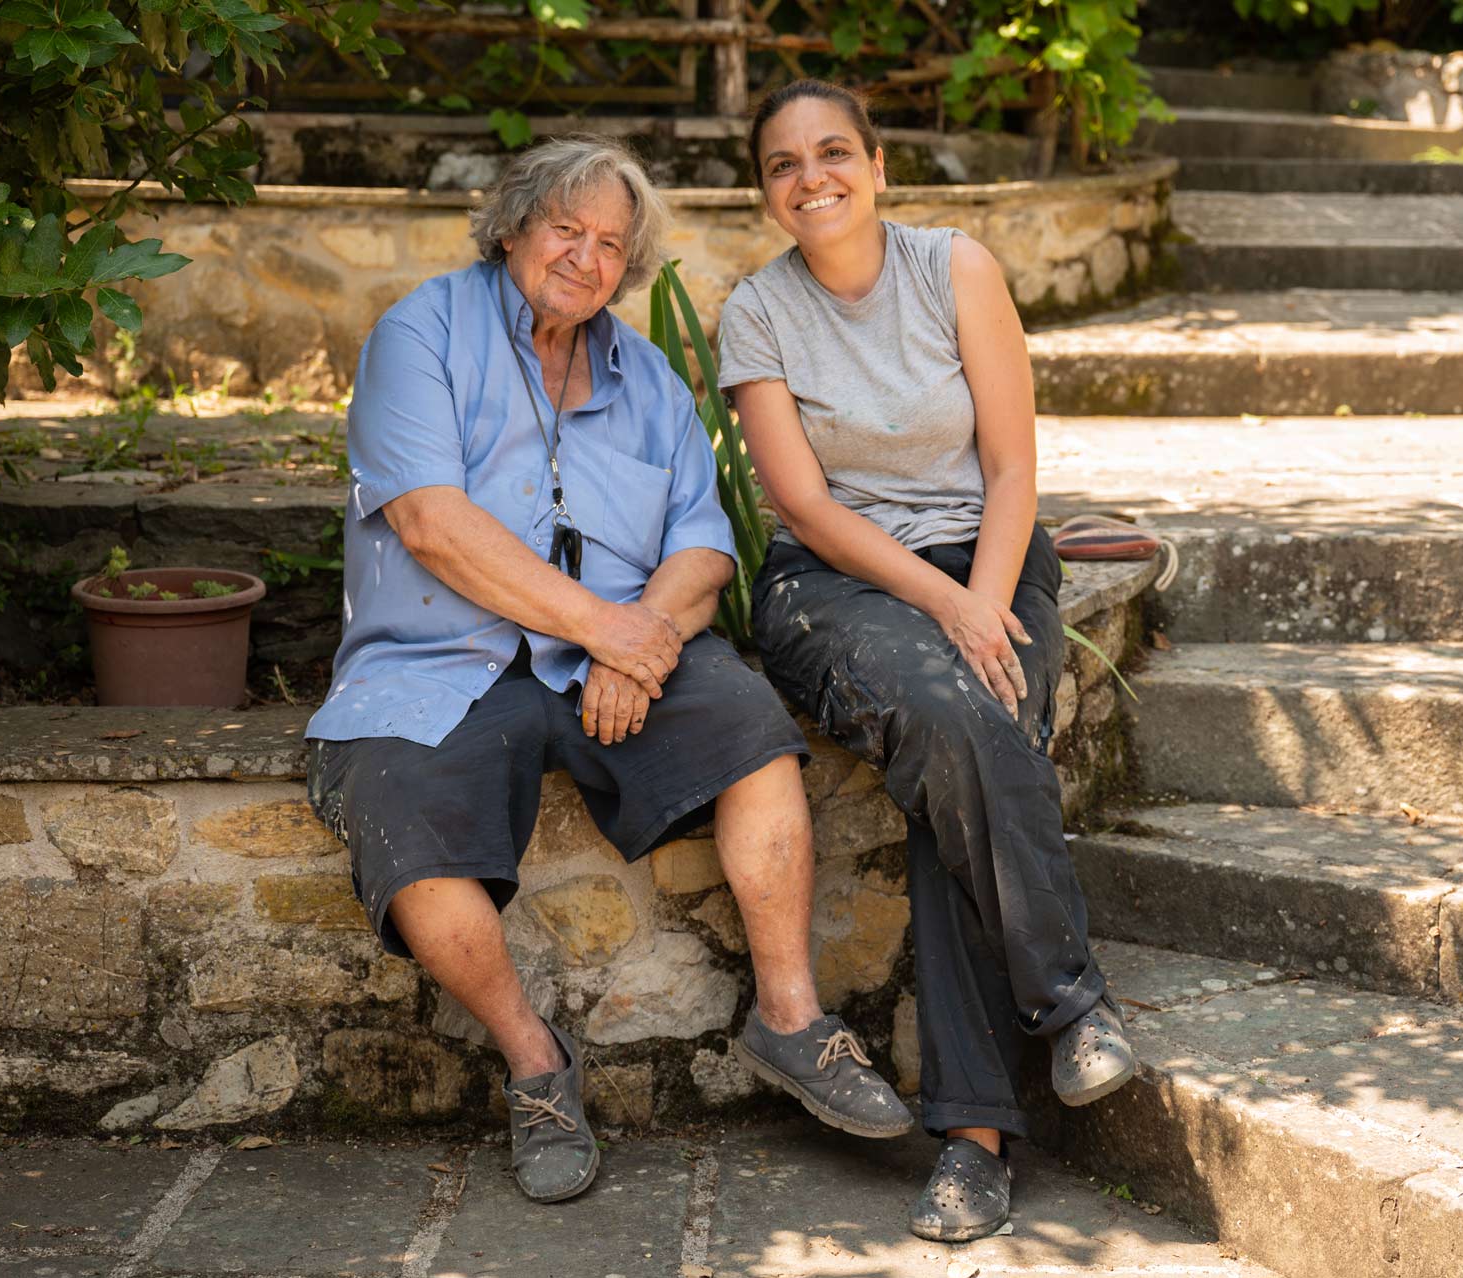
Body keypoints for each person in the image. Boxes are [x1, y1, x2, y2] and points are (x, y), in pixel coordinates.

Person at [303, 135, 908, 1206]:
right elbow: (434, 525)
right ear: (511, 227)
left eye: (611, 245)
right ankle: (537, 1068)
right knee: (404, 827)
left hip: (627, 647)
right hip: (443, 657)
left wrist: (646, 639)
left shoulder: (649, 378)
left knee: (753, 738)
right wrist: (606, 629)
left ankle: (790, 1020)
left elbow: (705, 546)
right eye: (565, 230)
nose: (585, 258)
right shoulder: (421, 334)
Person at [716, 81, 1136, 1243]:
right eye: (785, 165)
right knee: (960, 722)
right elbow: (800, 501)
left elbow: (1011, 467)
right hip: (835, 584)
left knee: (962, 742)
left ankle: (974, 1141)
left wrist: (985, 605)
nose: (814, 178)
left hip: (988, 557)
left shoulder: (956, 269)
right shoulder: (756, 312)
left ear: (878, 165)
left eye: (834, 152)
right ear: (767, 191)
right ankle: (1070, 1004)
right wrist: (944, 605)